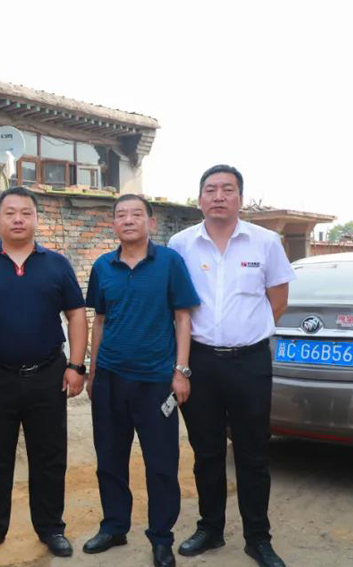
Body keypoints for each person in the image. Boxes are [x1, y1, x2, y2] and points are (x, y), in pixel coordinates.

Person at [168, 165, 295, 567]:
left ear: (240, 197)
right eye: (211, 189)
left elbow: (278, 300)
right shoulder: (181, 244)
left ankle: (258, 538)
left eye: (227, 189)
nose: (219, 196)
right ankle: (210, 528)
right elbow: (176, 307)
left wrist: (247, 331)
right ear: (199, 199)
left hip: (250, 363)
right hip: (201, 361)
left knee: (253, 454)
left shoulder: (265, 242)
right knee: (206, 452)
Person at [0, 186, 89, 559]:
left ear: (36, 218)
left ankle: (51, 528)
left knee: (49, 457)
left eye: (26, 213)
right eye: (10, 212)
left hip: (48, 375)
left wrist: (76, 366)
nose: (18, 219)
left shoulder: (57, 264)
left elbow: (76, 315)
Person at [83, 194, 200, 567]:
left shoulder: (169, 262)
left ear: (151, 222)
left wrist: (181, 371)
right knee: (109, 459)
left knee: (161, 464)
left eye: (136, 214)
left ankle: (161, 538)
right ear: (113, 224)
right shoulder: (103, 266)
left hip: (156, 382)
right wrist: (93, 372)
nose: (128, 220)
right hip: (110, 379)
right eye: (121, 215)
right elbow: (100, 321)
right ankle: (114, 526)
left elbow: (183, 318)